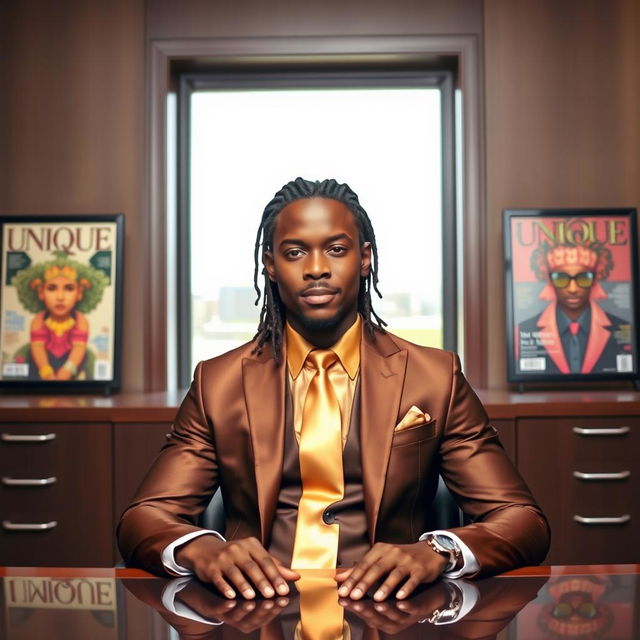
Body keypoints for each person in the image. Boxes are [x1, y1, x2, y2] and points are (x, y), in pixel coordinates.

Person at [118, 178, 549, 603]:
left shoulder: (435, 376)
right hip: (256, 611)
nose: (317, 267)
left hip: (389, 611)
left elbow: (522, 520)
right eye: (294, 252)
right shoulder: (218, 382)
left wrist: (439, 551)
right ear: (269, 265)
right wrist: (201, 549)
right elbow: (144, 517)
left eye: (337, 249)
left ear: (364, 259)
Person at [516, 240, 630, 375]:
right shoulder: (523, 331)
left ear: (594, 280)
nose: (573, 289)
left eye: (583, 277)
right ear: (550, 281)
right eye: (561, 278)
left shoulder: (624, 329)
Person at [11, 250, 108, 380]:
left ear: (79, 293)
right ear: (41, 292)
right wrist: (47, 374)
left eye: (69, 288)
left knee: (89, 357)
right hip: (40, 369)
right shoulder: (38, 321)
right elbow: (38, 347)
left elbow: (78, 349)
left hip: (71, 368)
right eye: (52, 288)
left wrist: (65, 373)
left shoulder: (81, 321)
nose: (60, 297)